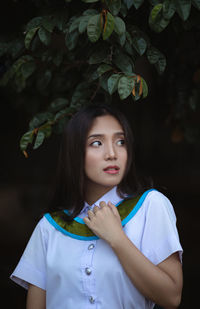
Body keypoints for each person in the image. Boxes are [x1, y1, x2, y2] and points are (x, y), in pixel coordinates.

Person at [10, 104, 183, 309]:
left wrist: (117, 239)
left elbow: (171, 297)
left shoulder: (150, 206)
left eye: (121, 142)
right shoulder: (49, 228)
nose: (112, 153)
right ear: (75, 153)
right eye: (97, 143)